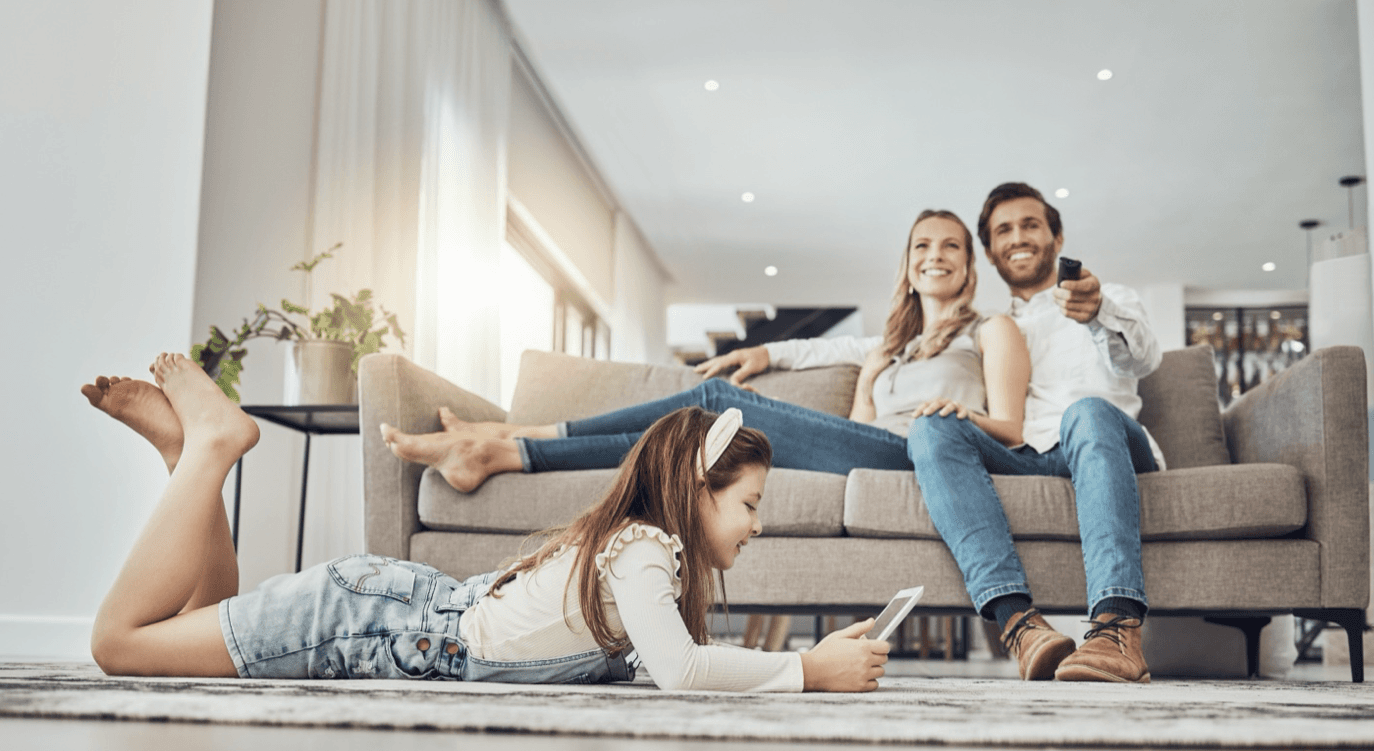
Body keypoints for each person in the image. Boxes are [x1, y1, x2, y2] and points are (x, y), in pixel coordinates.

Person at [80, 357, 888, 691]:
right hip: (361, 619)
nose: (756, 527)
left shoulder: (646, 559)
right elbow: (682, 670)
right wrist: (807, 670)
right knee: (121, 646)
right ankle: (212, 450)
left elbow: (664, 659)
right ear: (693, 490)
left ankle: (183, 456)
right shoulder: (644, 549)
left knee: (190, 628)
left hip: (394, 608)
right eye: (748, 505)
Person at [380, 209, 1030, 494]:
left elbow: (1013, 430)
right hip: (868, 453)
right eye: (922, 245)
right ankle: (499, 450)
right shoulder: (886, 349)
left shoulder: (990, 330)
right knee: (690, 435)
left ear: (969, 266)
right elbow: (855, 433)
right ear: (909, 265)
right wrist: (806, 366)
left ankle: (518, 433)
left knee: (718, 402)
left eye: (949, 246)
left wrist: (960, 415)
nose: (935, 255)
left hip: (929, 454)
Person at [908, 182, 1164, 683]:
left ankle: (1116, 628)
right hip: (1030, 453)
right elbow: (872, 347)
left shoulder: (1106, 298)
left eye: (1030, 225)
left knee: (1085, 411)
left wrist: (1099, 313)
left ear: (1056, 235)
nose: (1017, 237)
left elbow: (1145, 358)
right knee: (933, 426)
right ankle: (1022, 627)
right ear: (989, 251)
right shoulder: (990, 327)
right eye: (1003, 230)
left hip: (1106, 443)